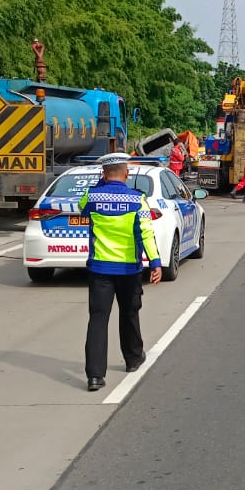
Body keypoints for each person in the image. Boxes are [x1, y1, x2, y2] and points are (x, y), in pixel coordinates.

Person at [78, 153, 161, 392]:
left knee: (98, 318)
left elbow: (82, 208)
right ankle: (133, 359)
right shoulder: (138, 200)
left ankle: (95, 376)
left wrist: (99, 184)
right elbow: (146, 233)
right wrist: (155, 263)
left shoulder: (91, 196)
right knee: (129, 313)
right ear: (127, 173)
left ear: (103, 174)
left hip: (100, 268)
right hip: (128, 269)